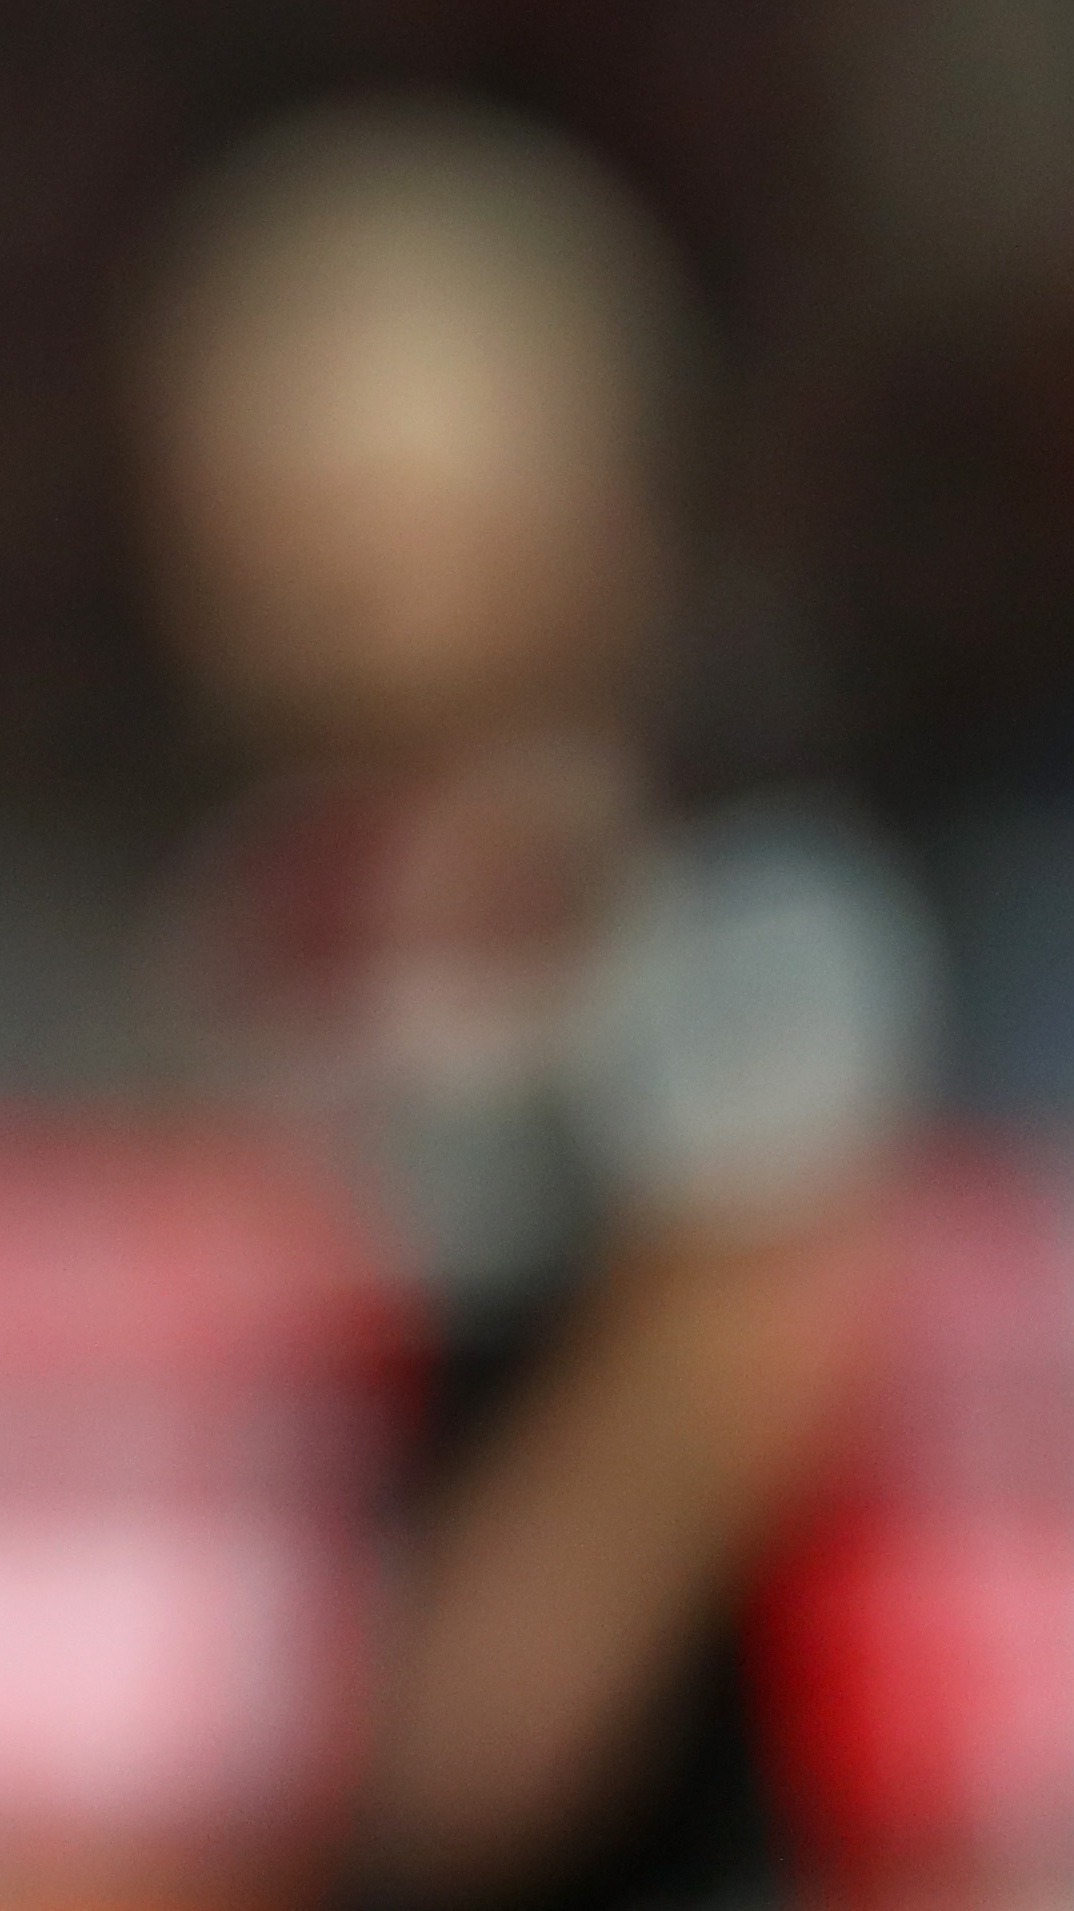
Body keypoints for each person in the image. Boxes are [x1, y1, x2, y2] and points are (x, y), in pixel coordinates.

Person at [140, 101, 929, 1911]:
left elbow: (675, 1436)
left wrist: (382, 1771)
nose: (327, 593)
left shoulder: (729, 923)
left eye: (382, 524)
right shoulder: (259, 926)